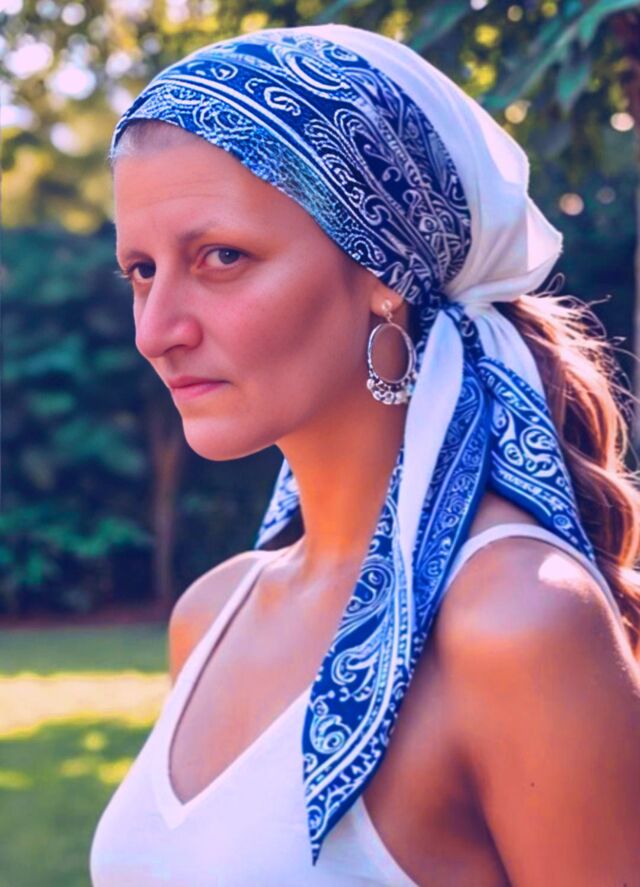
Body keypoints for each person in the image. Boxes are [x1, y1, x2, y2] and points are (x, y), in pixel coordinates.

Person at [90, 23, 640, 886]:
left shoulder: (516, 623)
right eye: (141, 271)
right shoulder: (211, 612)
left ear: (382, 271)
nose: (157, 330)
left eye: (221, 257)